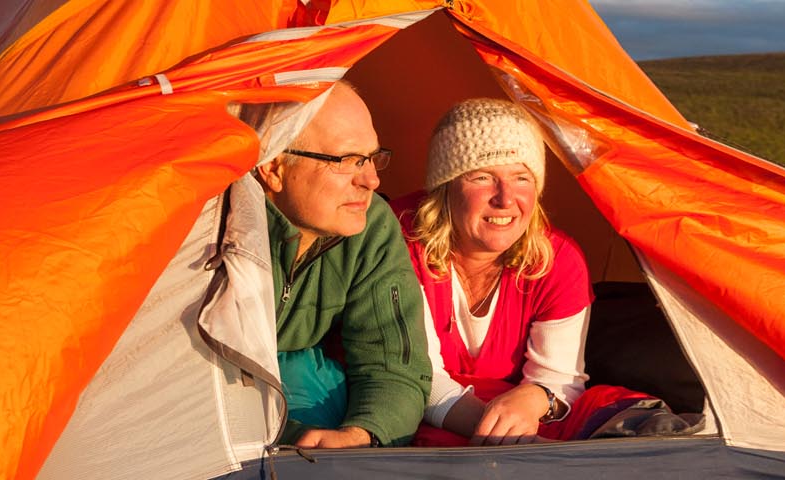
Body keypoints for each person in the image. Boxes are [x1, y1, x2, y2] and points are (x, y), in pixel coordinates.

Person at [393, 98, 674, 447]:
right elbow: (417, 378)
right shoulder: (400, 244)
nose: (505, 198)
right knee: (418, 431)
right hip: (426, 405)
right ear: (445, 187)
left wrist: (537, 398)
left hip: (513, 409)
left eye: (521, 178)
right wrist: (514, 440)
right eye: (482, 177)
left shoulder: (558, 258)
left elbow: (560, 379)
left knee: (616, 409)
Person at [244, 82, 430, 448]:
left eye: (373, 158)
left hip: (293, 383)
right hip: (205, 409)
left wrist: (362, 435)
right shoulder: (215, 226)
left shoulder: (369, 224)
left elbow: (394, 363)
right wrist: (295, 442)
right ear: (274, 168)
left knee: (314, 384)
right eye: (347, 161)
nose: (371, 180)